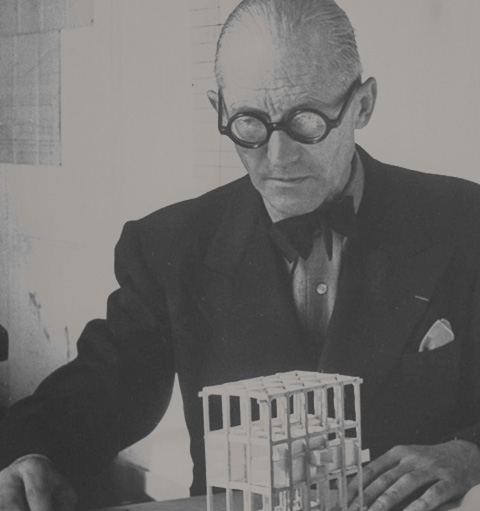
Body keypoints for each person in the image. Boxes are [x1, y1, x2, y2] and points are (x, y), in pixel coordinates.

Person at [1, 0, 480, 510]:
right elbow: (101, 388)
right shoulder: (168, 244)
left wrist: (472, 451)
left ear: (363, 105)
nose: (278, 158)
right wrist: (31, 454)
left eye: (307, 121)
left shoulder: (466, 220)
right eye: (250, 123)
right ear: (219, 110)